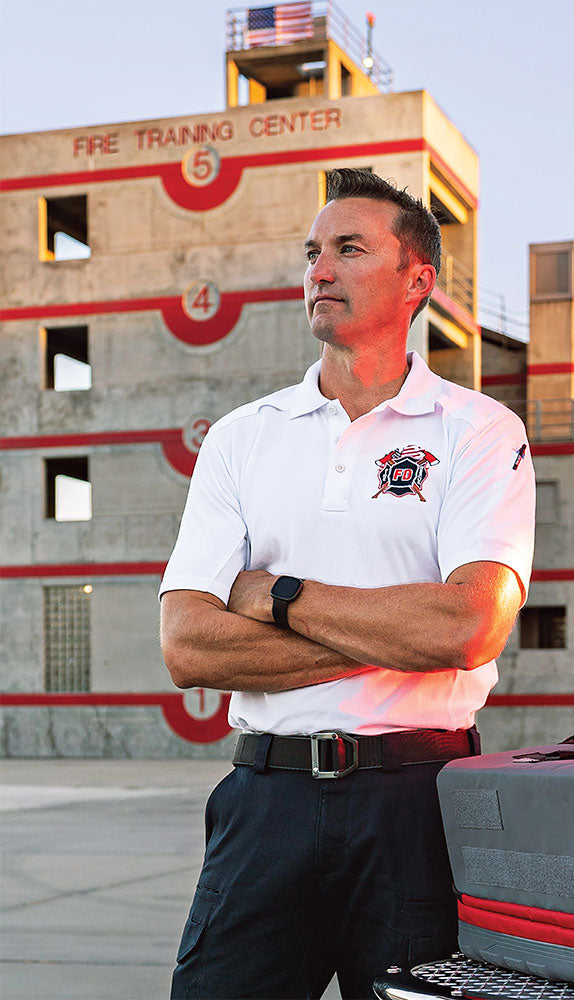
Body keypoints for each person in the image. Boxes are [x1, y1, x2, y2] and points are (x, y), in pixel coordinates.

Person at [159, 168, 535, 999]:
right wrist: (395, 636)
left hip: (416, 805)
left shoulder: (478, 431)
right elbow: (187, 646)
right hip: (265, 802)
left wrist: (281, 598)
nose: (319, 270)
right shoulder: (241, 439)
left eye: (349, 248)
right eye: (312, 252)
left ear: (418, 279)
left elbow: (467, 629)